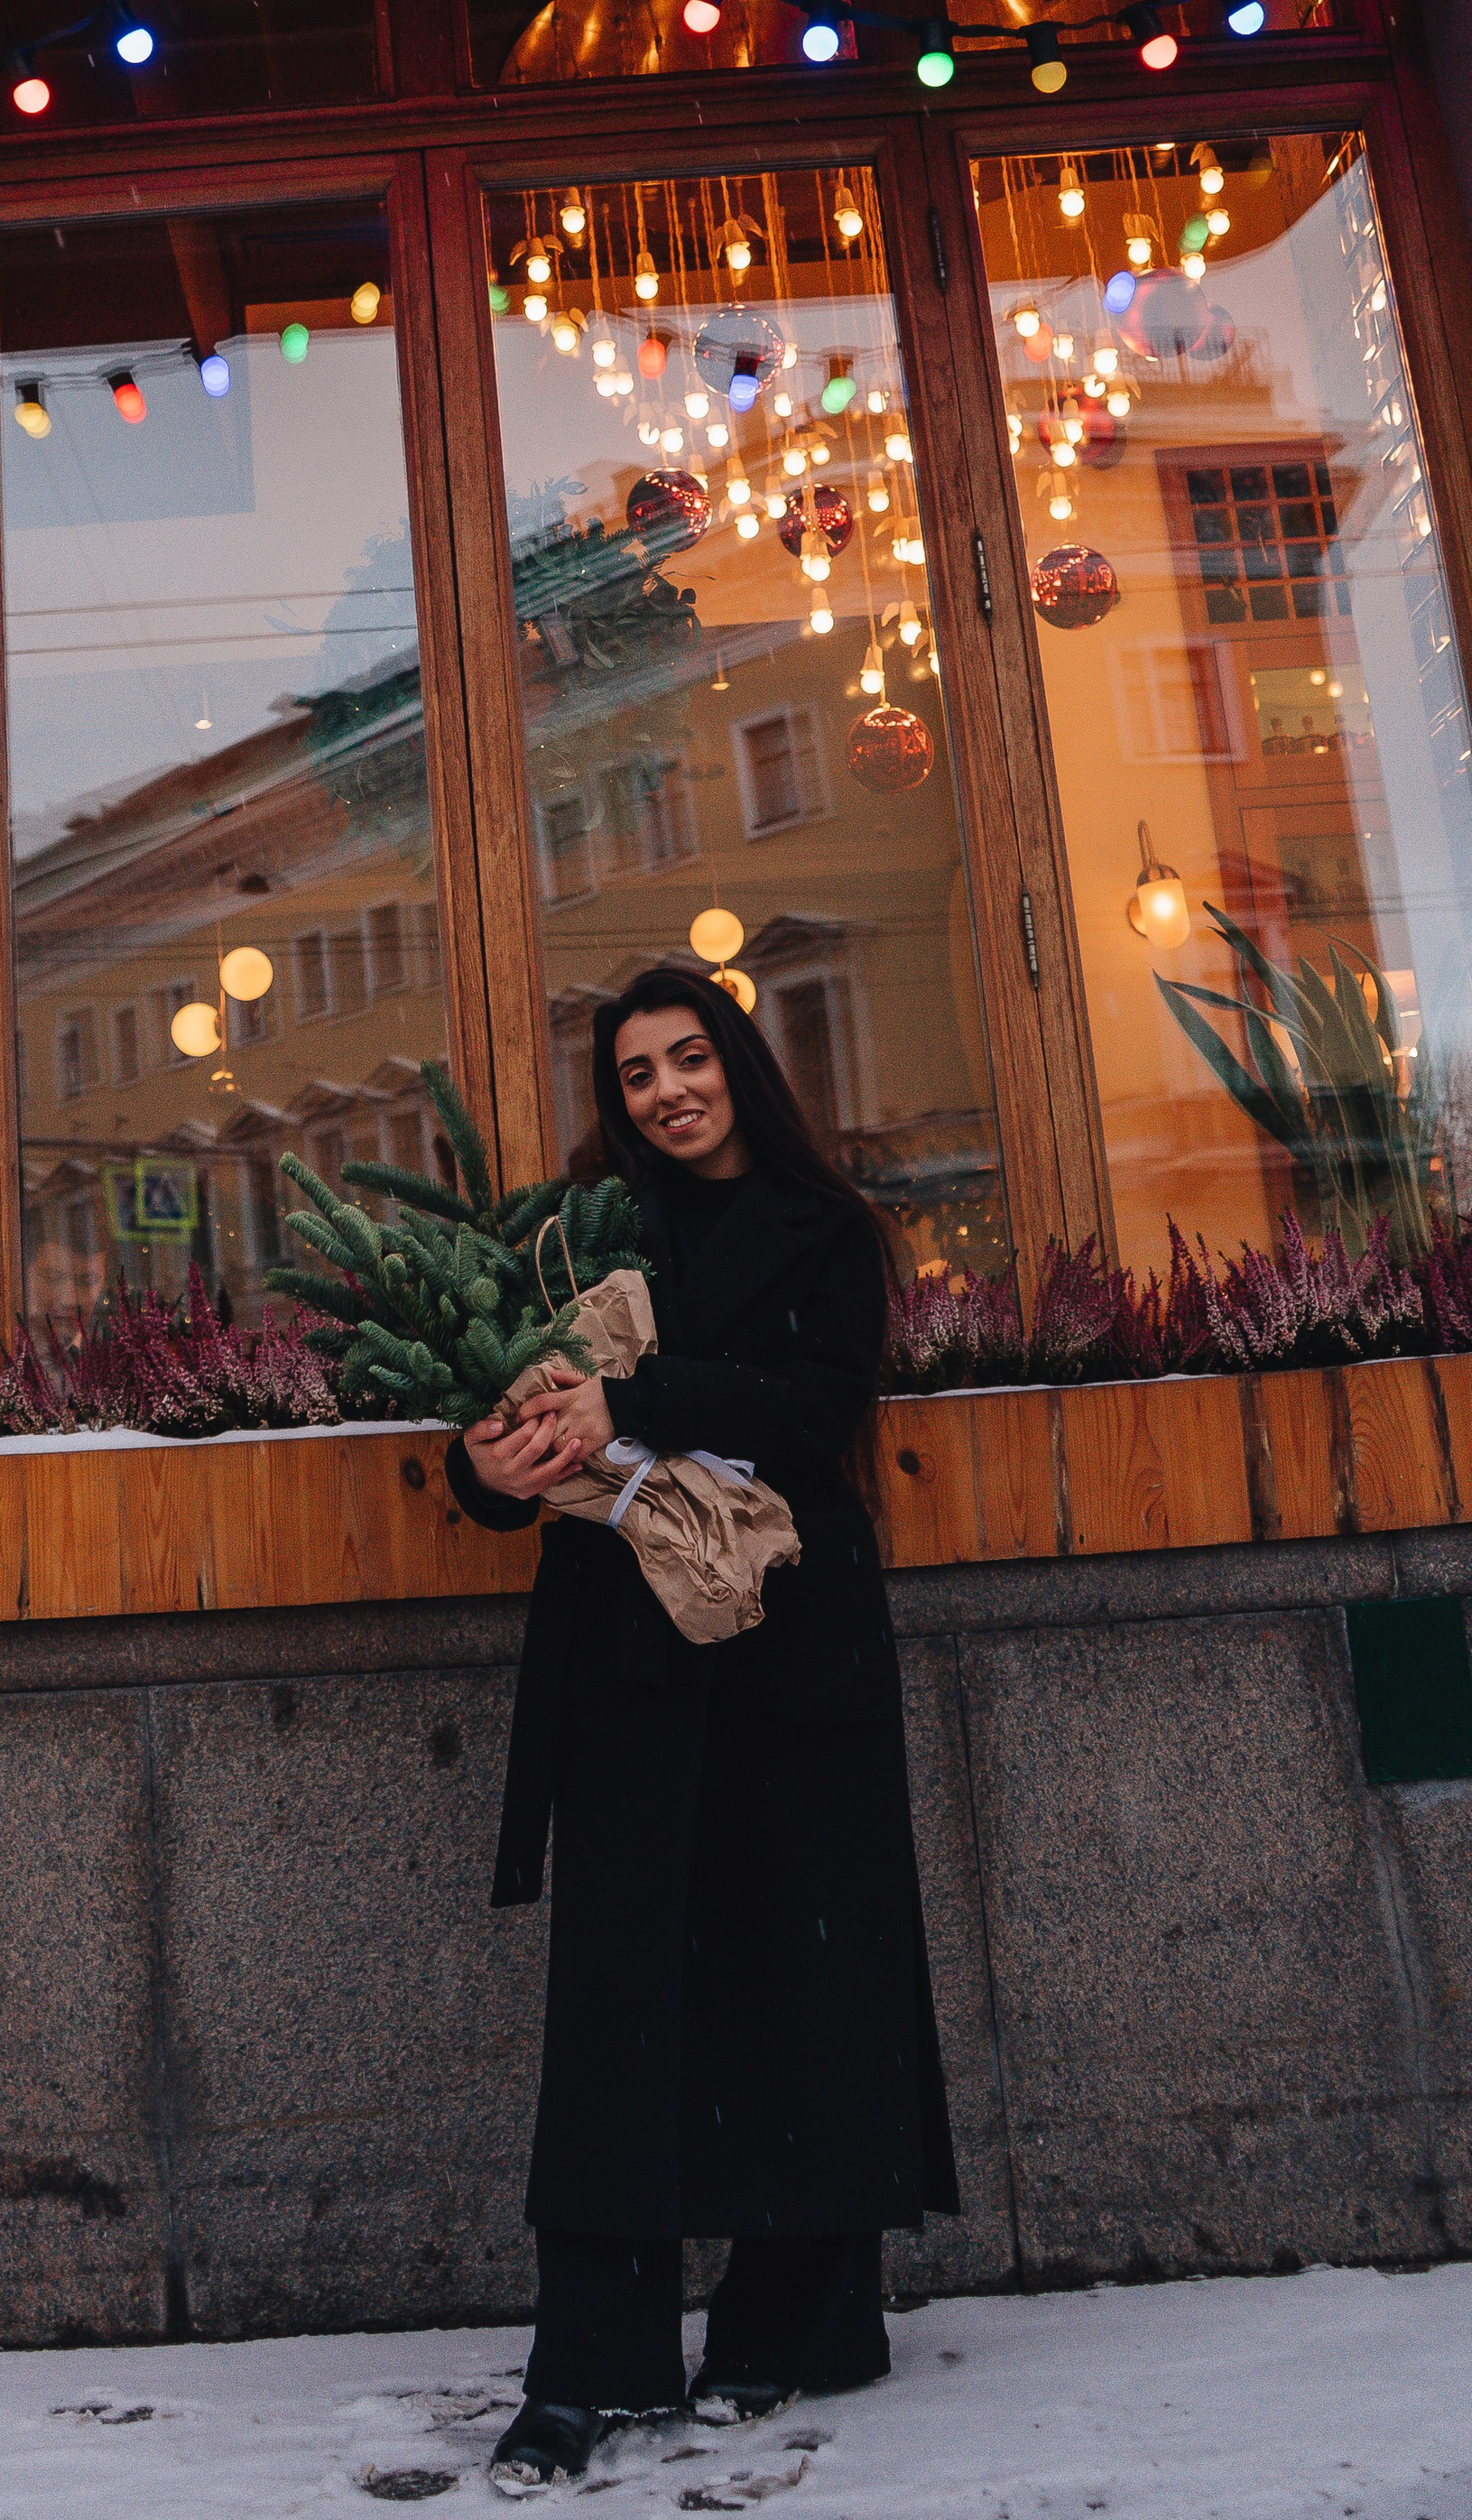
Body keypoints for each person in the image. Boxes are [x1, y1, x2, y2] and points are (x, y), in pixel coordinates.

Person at [444, 965, 958, 2495]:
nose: (668, 1090)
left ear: (736, 1062)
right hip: (633, 1662)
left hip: (792, 1649)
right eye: (637, 1073)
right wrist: (491, 1464)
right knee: (619, 2008)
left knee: (806, 1976)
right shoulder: (582, 1237)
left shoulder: (830, 1233)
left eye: (690, 1059)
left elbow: (817, 1409)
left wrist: (640, 1400)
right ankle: (587, 2361)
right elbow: (511, 1425)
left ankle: (793, 2318)